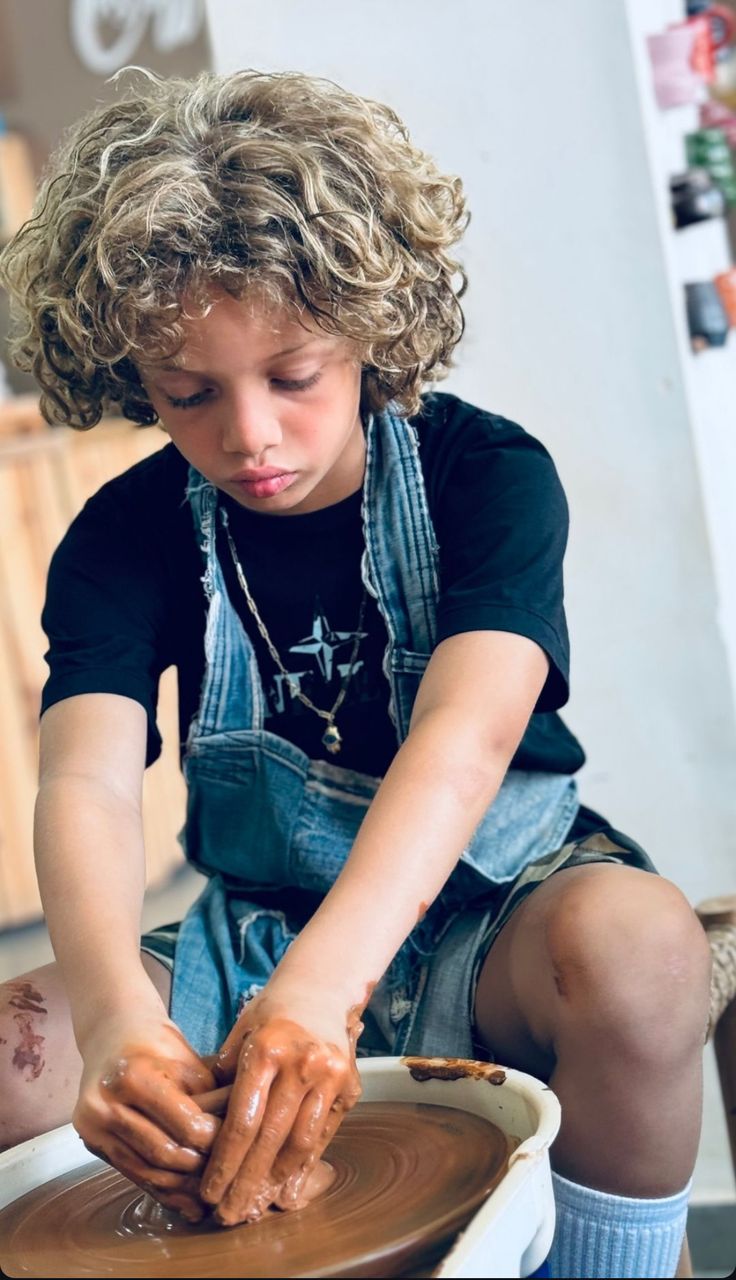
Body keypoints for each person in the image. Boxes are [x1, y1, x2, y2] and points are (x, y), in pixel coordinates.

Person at [0, 69, 711, 1278]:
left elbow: (464, 744)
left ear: (373, 330)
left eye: (293, 375)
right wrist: (121, 1015)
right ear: (134, 375)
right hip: (253, 928)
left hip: (495, 908)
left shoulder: (488, 475)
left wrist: (327, 988)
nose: (249, 434)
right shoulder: (124, 533)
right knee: (17, 1049)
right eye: (189, 393)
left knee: (642, 951)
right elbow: (87, 785)